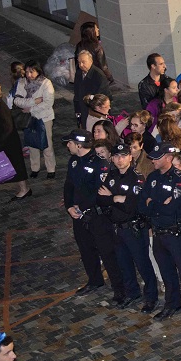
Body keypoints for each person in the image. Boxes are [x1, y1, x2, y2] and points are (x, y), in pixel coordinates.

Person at [62, 129, 128, 303]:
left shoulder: (100, 164)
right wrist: (69, 206)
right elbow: (69, 185)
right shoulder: (74, 161)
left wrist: (81, 206)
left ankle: (119, 289)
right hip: (79, 215)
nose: (67, 146)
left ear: (78, 144)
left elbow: (100, 192)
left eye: (69, 142)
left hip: (97, 216)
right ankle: (95, 280)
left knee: (107, 253)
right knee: (86, 250)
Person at [101, 143, 157, 313]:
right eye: (116, 156)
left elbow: (131, 206)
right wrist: (115, 199)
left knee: (143, 264)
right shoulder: (110, 176)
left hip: (134, 228)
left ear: (130, 157)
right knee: (124, 264)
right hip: (117, 228)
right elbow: (101, 200)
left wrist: (112, 198)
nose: (120, 160)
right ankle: (132, 293)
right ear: (112, 158)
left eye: (124, 155)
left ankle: (151, 297)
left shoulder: (137, 178)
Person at [144, 143, 181, 321]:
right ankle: (172, 304)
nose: (153, 161)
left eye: (157, 158)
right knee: (167, 272)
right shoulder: (152, 177)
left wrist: (153, 203)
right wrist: (157, 204)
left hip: (177, 234)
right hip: (159, 232)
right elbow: (143, 204)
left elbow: (172, 207)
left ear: (168, 158)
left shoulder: (180, 178)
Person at [12, 61, 56, 179]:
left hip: (44, 117)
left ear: (38, 71)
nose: (29, 74)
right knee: (32, 144)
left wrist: (30, 109)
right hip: (29, 119)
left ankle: (50, 169)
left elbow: (48, 103)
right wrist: (34, 101)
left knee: (47, 144)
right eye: (27, 72)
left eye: (32, 71)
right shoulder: (22, 82)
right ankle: (35, 168)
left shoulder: (46, 83)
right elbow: (17, 101)